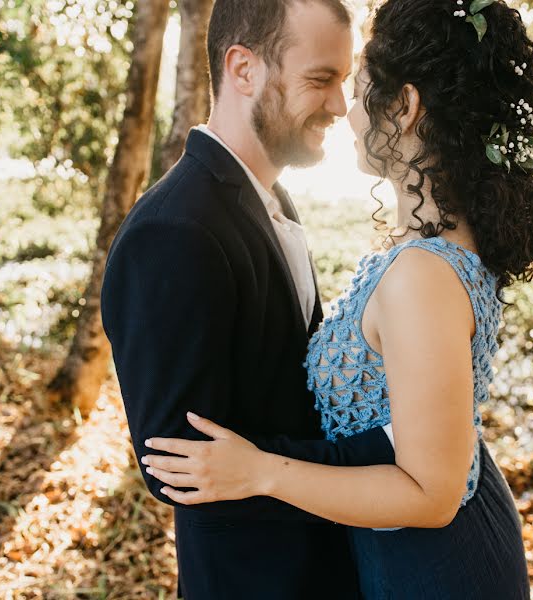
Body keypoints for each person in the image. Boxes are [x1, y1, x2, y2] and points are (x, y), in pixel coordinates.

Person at [142, 0, 533, 598]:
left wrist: (261, 471)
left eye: (359, 90)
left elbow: (432, 495)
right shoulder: (438, 245)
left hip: (435, 565)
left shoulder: (423, 273)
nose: (346, 110)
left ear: (407, 107)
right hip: (399, 547)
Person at [100, 1, 400, 599]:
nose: (341, 106)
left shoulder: (272, 199)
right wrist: (383, 453)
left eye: (343, 81)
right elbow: (178, 463)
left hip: (325, 566)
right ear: (244, 69)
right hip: (255, 580)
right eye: (320, 80)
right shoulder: (173, 232)